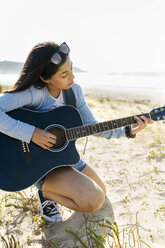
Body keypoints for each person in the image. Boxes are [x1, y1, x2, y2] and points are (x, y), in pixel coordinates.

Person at [0, 41, 152, 223]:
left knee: (102, 195)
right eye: (64, 74)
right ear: (45, 78)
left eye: (71, 69)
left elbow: (93, 126)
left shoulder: (74, 92)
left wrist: (127, 130)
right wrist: (31, 133)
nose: (72, 77)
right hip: (37, 166)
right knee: (93, 200)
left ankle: (58, 185)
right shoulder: (34, 94)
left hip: (64, 158)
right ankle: (45, 192)